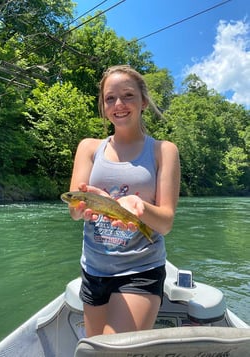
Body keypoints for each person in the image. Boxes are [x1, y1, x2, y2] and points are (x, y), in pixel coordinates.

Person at [69, 64, 180, 337]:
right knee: (93, 349)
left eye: (128, 95)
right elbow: (74, 211)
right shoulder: (88, 148)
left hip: (141, 269)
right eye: (110, 98)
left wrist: (139, 207)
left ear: (143, 101)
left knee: (110, 352)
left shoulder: (163, 151)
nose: (119, 104)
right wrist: (84, 208)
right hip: (94, 269)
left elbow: (164, 223)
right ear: (103, 105)